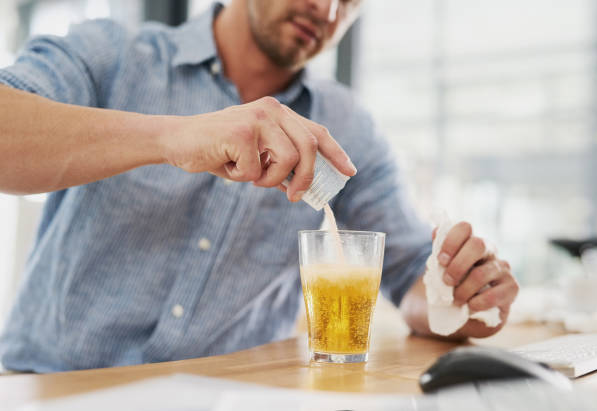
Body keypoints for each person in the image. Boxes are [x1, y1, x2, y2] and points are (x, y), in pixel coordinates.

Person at [0, 0, 518, 372]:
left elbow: (410, 277)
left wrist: (462, 300)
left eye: (351, 1)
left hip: (231, 397)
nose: (328, 10)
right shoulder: (112, 54)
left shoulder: (347, 128)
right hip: (51, 387)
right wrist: (174, 135)